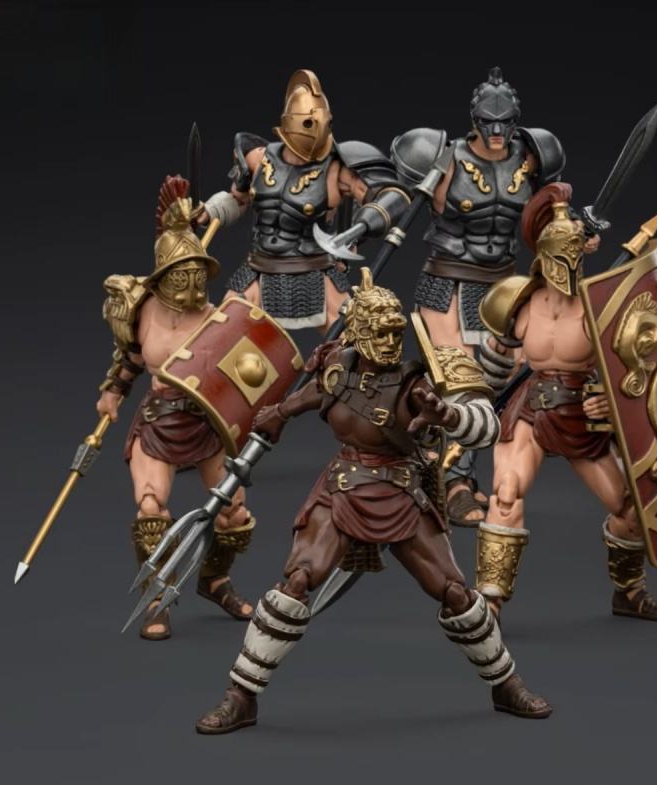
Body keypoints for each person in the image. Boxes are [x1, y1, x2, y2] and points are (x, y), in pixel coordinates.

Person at [194, 268, 552, 733]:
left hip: (400, 489)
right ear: (359, 331)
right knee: (297, 580)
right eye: (379, 332)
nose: (389, 341)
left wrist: (446, 414)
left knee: (454, 592)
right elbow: (320, 390)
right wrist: (280, 412)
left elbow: (485, 425)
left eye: (395, 332)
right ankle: (241, 695)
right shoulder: (339, 364)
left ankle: (505, 683)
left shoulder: (418, 383)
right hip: (343, 485)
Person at [391, 67, 599, 525]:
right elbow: (393, 196)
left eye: (506, 123)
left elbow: (551, 215)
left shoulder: (533, 157)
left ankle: (448, 470)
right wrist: (369, 223)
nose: (498, 131)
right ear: (475, 119)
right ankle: (450, 483)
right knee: (461, 383)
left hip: (505, 286)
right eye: (489, 122)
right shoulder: (442, 157)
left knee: (503, 387)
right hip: (447, 282)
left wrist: (575, 235)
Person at [476, 182, 657, 621]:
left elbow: (635, 376)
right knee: (505, 494)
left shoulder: (601, 308)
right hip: (528, 409)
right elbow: (491, 369)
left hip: (579, 413)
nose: (566, 265)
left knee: (629, 509)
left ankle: (628, 592)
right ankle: (488, 604)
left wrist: (610, 400)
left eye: (575, 253)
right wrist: (467, 416)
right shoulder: (516, 301)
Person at [97, 176, 254, 640]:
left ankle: (215, 581)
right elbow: (130, 358)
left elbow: (245, 375)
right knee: (151, 510)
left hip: (206, 421)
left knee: (234, 514)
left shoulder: (219, 317)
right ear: (165, 276)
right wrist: (113, 392)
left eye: (197, 276)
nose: (191, 285)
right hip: (159, 421)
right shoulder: (142, 310)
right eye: (182, 276)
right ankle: (157, 598)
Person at [199, 68, 410, 333]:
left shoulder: (337, 169)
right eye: (308, 124)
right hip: (259, 271)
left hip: (317, 271)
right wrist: (210, 211)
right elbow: (238, 199)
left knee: (355, 340)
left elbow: (393, 195)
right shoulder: (257, 158)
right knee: (216, 338)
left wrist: (362, 226)